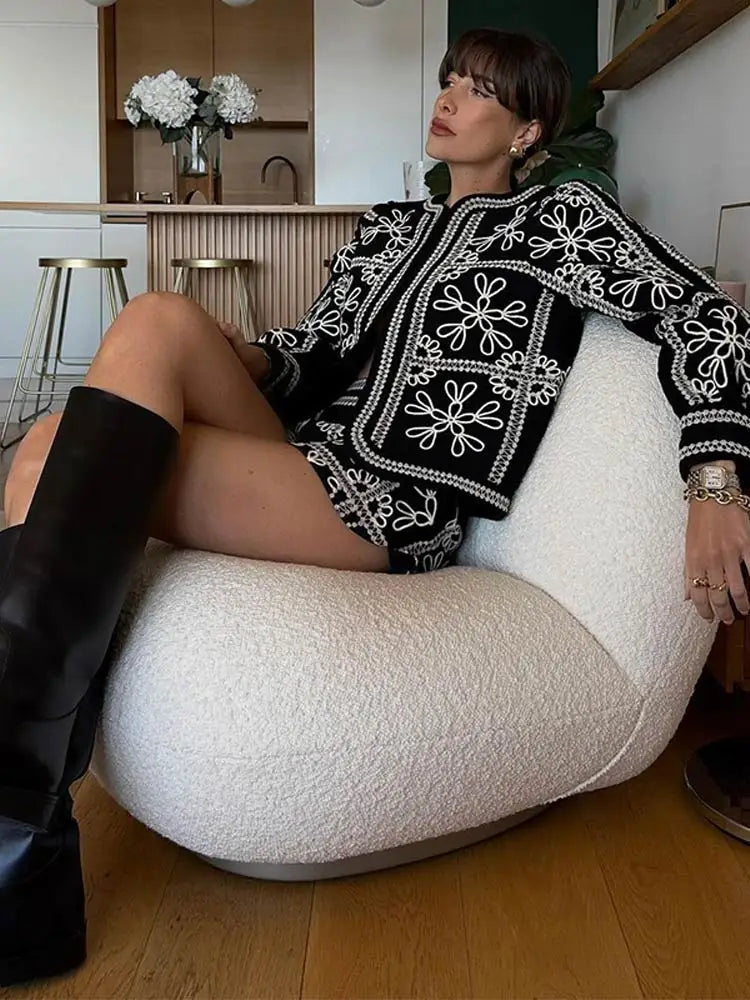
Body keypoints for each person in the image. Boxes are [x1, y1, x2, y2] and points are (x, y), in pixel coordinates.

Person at [2, 25, 750, 987]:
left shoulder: (561, 221)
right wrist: (245, 355)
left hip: (392, 500)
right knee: (153, 326)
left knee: (48, 450)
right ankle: (17, 840)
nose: (449, 98)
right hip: (313, 453)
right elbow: (311, 360)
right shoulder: (390, 229)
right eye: (450, 79)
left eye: (480, 91)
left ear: (527, 132)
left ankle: (14, 835)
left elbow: (706, 315)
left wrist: (714, 477)